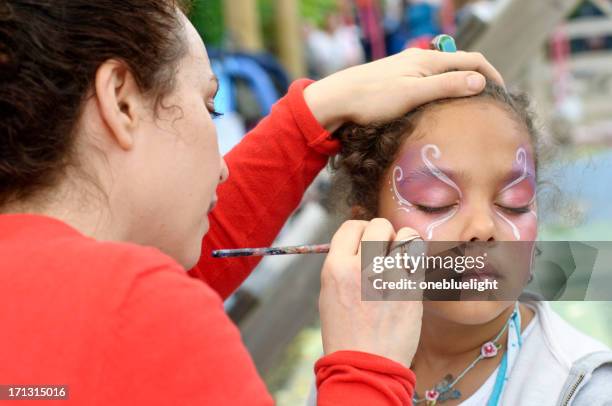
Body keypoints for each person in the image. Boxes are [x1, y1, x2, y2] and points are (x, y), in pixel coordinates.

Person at [0, 1, 504, 405]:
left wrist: (311, 119)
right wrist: (366, 373)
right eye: (209, 106)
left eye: (514, 200)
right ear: (122, 100)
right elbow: (128, 315)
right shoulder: (136, 314)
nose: (222, 166)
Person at [330, 81, 612, 405]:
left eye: (514, 202)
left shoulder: (585, 391)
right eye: (435, 202)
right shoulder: (345, 359)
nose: (483, 227)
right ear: (366, 230)